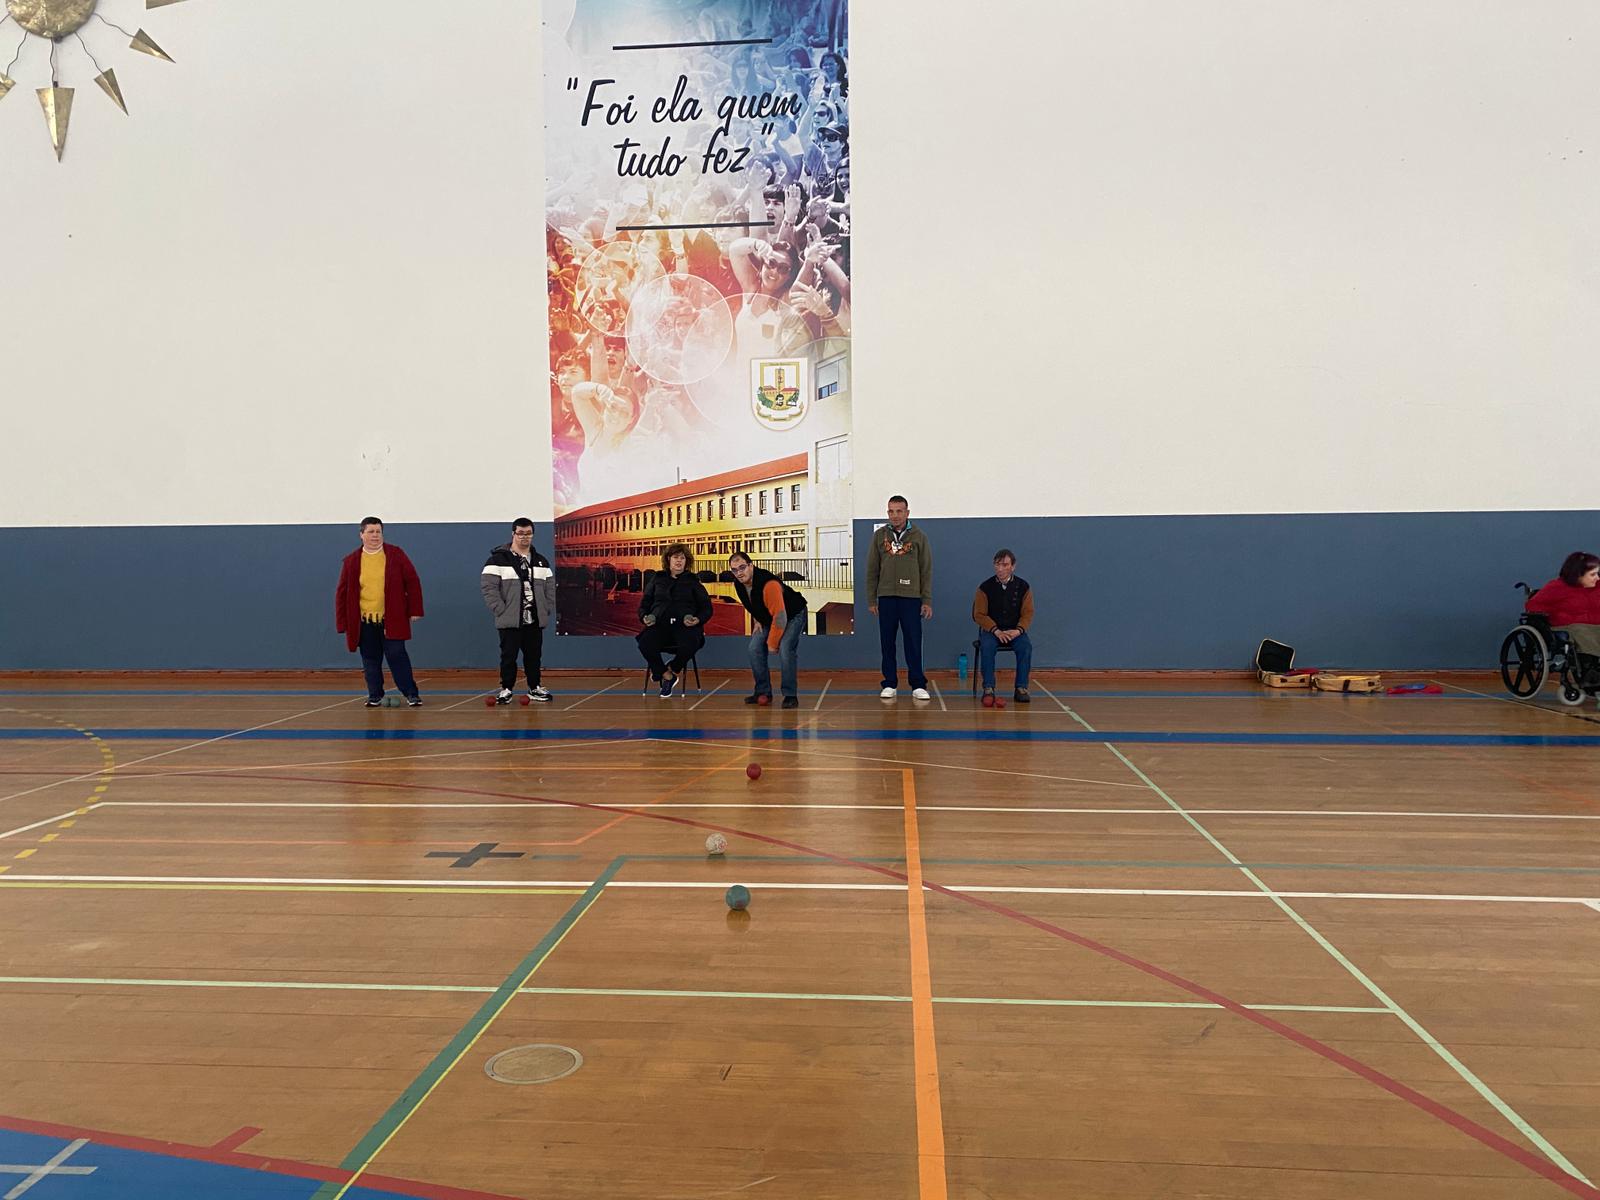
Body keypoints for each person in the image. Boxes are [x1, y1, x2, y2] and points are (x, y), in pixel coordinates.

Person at [334, 517, 424, 707]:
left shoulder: (396, 555)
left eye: (378, 532)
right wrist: (343, 623)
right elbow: (342, 593)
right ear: (361, 535)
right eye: (371, 532)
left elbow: (412, 582)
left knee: (397, 655)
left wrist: (415, 609)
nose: (375, 536)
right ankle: (374, 695)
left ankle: (411, 693)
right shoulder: (351, 561)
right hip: (365, 622)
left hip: (392, 619)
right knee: (370, 660)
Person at [480, 517, 558, 704]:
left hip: (534, 619)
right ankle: (506, 689)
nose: (524, 537)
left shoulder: (541, 561)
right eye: (521, 533)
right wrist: (500, 609)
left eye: (528, 533)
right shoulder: (496, 560)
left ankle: (535, 687)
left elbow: (550, 588)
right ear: (513, 534)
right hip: (510, 619)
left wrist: (546, 608)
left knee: (534, 656)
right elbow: (489, 588)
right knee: (509, 656)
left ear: (533, 535)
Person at [866, 495, 933, 700]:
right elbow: (872, 569)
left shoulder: (919, 536)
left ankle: (918, 685)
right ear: (887, 513)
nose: (895, 515)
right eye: (891, 511)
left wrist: (926, 600)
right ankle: (889, 683)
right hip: (886, 597)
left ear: (907, 513)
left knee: (913, 642)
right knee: (887, 642)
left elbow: (926, 570)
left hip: (911, 598)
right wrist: (872, 599)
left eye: (899, 511)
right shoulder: (879, 536)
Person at [729, 550, 807, 708]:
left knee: (785, 649)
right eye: (734, 570)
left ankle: (790, 695)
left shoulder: (769, 584)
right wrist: (757, 619)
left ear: (751, 566)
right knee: (754, 648)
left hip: (793, 614)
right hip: (770, 617)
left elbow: (780, 618)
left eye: (742, 567)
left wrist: (772, 643)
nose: (739, 573)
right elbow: (752, 604)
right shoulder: (738, 584)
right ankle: (762, 692)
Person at [638, 543, 713, 698]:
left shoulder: (693, 581)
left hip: (685, 628)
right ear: (668, 559)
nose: (679, 561)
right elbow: (645, 604)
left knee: (691, 643)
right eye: (675, 557)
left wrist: (697, 620)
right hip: (660, 626)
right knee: (645, 643)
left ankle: (669, 669)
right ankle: (668, 676)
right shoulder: (657, 578)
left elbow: (706, 608)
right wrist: (644, 616)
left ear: (687, 561)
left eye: (682, 558)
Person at [973, 549, 1034, 704]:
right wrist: (996, 630)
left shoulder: (1024, 587)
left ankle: (1021, 688)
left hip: (1015, 631)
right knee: (987, 647)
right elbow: (979, 614)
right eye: (997, 564)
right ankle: (988, 688)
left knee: (1025, 647)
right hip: (992, 631)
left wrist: (1018, 630)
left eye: (1005, 565)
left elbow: (1028, 613)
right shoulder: (984, 588)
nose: (1000, 569)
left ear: (1013, 566)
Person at [1526, 552, 1600, 657]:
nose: (1597, 578)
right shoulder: (1557, 587)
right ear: (1578, 575)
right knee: (1581, 632)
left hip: (1595, 626)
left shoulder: (1597, 587)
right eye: (1593, 574)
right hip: (1569, 627)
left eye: (1597, 573)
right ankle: (1591, 662)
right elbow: (1532, 606)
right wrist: (1558, 614)